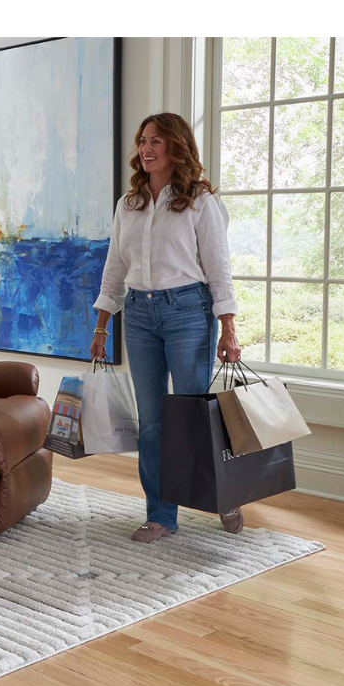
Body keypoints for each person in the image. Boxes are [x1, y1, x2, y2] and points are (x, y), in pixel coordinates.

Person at [92, 112, 243, 543]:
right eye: (143, 141)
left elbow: (219, 268)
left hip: (188, 313)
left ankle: (224, 490)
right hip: (138, 315)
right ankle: (161, 515)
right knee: (153, 422)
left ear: (176, 146)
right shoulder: (130, 203)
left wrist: (228, 327)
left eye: (156, 141)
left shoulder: (200, 201)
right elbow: (115, 267)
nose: (146, 149)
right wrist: (102, 326)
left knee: (195, 416)